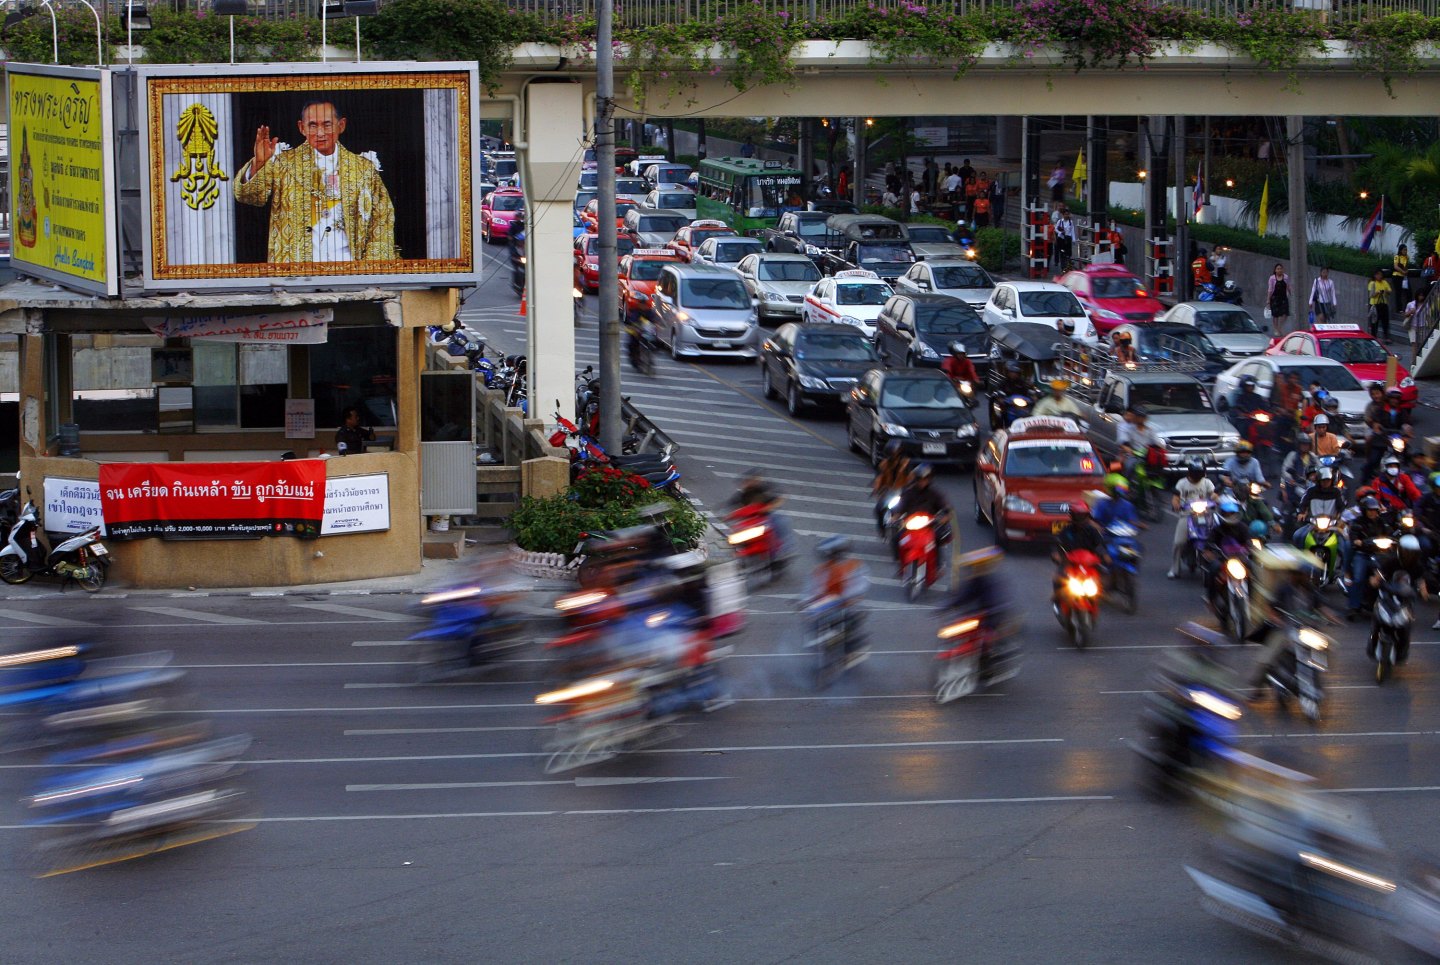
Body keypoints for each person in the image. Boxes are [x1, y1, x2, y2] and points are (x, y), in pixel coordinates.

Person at [234, 100, 396, 263]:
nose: (320, 133)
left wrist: (372, 269)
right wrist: (259, 163)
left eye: (327, 125)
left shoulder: (363, 169)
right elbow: (250, 197)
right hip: (296, 271)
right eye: (312, 125)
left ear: (341, 125)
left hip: (349, 270)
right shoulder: (283, 164)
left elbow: (382, 222)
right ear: (301, 128)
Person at [806, 536, 870, 663]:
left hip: (849, 604)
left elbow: (861, 585)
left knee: (850, 623)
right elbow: (811, 588)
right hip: (829, 604)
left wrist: (850, 596)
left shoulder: (854, 565)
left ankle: (852, 647)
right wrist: (805, 601)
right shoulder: (821, 569)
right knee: (811, 620)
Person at [1368, 534, 1428, 662]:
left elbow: (1421, 582)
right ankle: (1372, 644)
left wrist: (1423, 592)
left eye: (1411, 553)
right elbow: (1378, 575)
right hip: (1388, 597)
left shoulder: (1418, 567)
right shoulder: (1391, 561)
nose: (1408, 556)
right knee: (1376, 621)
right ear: (1400, 551)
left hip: (1405, 602)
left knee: (1405, 628)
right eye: (1406, 552)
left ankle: (1402, 652)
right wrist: (1375, 580)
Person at [1345, 495, 1393, 618]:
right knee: (1359, 578)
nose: (1372, 513)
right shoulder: (1358, 522)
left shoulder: (1381, 522)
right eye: (1369, 510)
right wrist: (1358, 541)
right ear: (1364, 510)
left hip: (1379, 555)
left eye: (1374, 510)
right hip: (1363, 554)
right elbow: (1354, 536)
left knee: (1390, 575)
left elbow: (1389, 534)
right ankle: (1353, 606)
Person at [1169, 460, 1217, 579]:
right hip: (1187, 514)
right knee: (1178, 542)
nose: (1197, 476)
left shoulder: (1207, 482)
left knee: (1215, 537)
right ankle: (1174, 569)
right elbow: (1175, 498)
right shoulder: (1182, 483)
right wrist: (1176, 504)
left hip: (1205, 514)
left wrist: (1216, 499)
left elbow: (1213, 494)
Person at [1052, 502, 1108, 602]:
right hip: (1070, 562)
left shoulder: (1093, 531)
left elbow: (1100, 544)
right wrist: (1056, 554)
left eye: (1083, 516)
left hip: (1089, 561)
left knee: (1104, 572)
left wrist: (1104, 554)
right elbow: (1058, 544)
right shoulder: (1066, 530)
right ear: (1072, 516)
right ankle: (1057, 597)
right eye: (1078, 516)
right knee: (1057, 578)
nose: (1080, 519)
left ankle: (1101, 591)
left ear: (1088, 516)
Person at [893, 464, 953, 555]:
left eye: (925, 479)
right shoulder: (908, 493)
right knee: (897, 538)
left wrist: (945, 517)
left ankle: (938, 567)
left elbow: (945, 507)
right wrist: (895, 517)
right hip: (910, 526)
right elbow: (899, 507)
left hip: (929, 526)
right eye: (920, 479)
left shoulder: (934, 494)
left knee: (937, 539)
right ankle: (901, 563)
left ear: (929, 479)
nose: (923, 482)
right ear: (916, 480)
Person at [871, 441, 913, 535]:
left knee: (912, 510)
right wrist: (877, 490)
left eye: (894, 454)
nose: (892, 456)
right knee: (879, 509)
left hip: (903, 492)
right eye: (890, 454)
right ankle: (882, 529)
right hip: (889, 492)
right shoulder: (884, 464)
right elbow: (879, 478)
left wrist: (910, 489)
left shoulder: (906, 464)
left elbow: (912, 478)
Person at [1272, 371, 1303, 458]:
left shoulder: (1299, 389)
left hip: (1295, 415)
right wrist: (1281, 410)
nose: (1294, 380)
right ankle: (1276, 444)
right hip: (1283, 415)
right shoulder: (1282, 389)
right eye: (1292, 378)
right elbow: (1276, 403)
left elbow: (1302, 403)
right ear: (1288, 379)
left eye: (1296, 379)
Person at [1368, 268, 1393, 341]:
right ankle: (1374, 336)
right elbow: (1371, 295)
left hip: (1383, 303)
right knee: (1375, 321)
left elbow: (1389, 291)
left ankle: (1386, 336)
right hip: (1375, 304)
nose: (1379, 276)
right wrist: (1377, 292)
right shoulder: (1372, 283)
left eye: (1381, 274)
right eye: (1378, 274)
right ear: (1375, 275)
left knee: (1385, 321)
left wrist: (1385, 291)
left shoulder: (1384, 282)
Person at [1266, 264, 1291, 334]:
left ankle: (1280, 327)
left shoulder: (1286, 277)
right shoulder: (1272, 278)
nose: (1279, 270)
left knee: (1285, 314)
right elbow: (1270, 289)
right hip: (1275, 298)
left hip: (1284, 298)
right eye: (1278, 269)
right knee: (1275, 315)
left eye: (1281, 269)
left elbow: (1288, 287)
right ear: (1275, 270)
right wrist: (1268, 300)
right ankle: (1276, 329)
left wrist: (1292, 294)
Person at [1393, 243, 1411, 316]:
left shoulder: (1407, 257)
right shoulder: (1397, 257)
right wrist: (1403, 271)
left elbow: (1406, 266)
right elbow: (1396, 266)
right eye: (1404, 250)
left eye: (1406, 250)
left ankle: (1408, 308)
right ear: (1400, 250)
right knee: (1398, 293)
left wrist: (1406, 271)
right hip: (1397, 276)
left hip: (1404, 277)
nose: (1405, 251)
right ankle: (1399, 309)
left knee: (1409, 292)